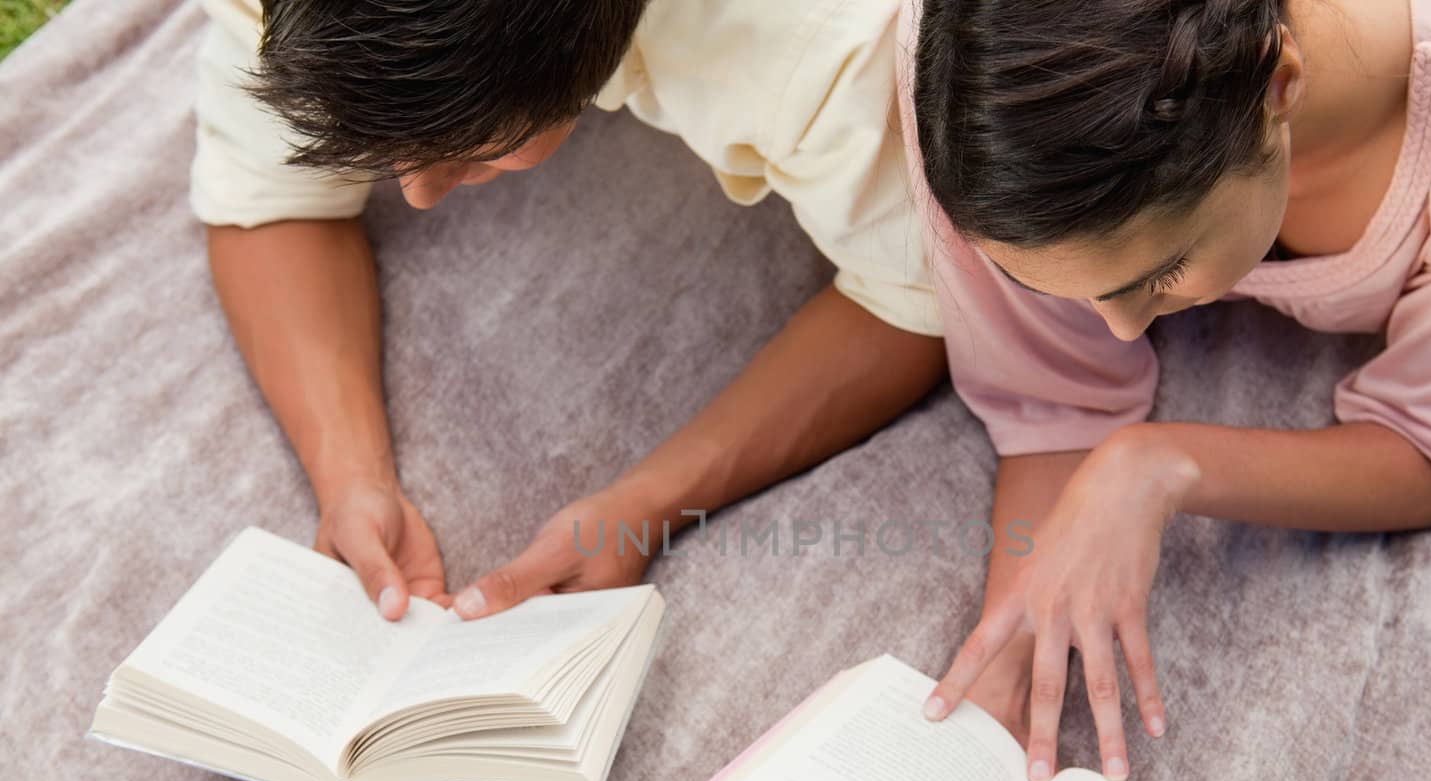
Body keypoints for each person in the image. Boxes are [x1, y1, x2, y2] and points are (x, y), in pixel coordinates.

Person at [905, 0, 1431, 781]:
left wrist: (1162, 464)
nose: (1121, 330)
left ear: (1281, 84)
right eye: (1076, 294)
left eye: (1160, 274)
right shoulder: (977, 94)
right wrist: (1009, 664)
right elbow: (1051, 401)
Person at [195, 0, 945, 622]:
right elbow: (267, 202)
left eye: (465, 152)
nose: (417, 194)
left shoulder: (824, 45)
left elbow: (912, 297)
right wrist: (351, 476)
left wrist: (645, 503)